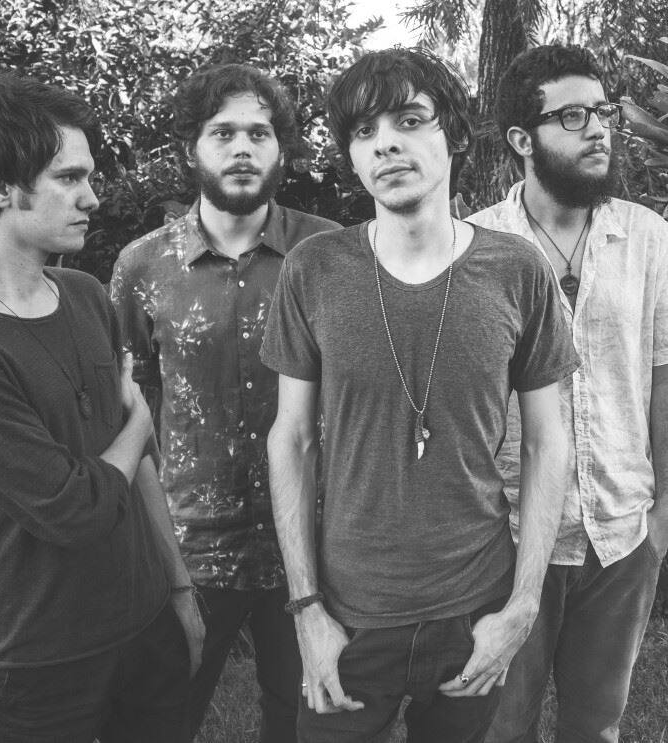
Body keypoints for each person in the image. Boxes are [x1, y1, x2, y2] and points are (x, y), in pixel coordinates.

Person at [260, 47, 581, 743]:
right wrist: (306, 609)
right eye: (364, 131)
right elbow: (292, 437)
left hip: (475, 607)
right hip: (348, 614)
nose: (385, 144)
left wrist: (522, 605)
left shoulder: (516, 270)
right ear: (351, 157)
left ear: (454, 135)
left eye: (409, 120)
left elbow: (547, 440)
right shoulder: (313, 270)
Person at [0, 73, 204, 743]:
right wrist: (139, 421)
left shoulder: (84, 294)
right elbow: (72, 510)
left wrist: (179, 591)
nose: (92, 198)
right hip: (41, 662)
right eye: (69, 178)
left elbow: (139, 467)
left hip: (146, 624)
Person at [110, 63, 340, 742]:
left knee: (305, 722)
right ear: (192, 148)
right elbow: (130, 404)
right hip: (189, 551)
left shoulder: (329, 253)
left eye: (259, 133)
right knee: (158, 720)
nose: (242, 147)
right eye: (223, 132)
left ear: (281, 149)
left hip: (309, 544)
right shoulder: (142, 267)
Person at [466, 44, 668, 743]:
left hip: (621, 532)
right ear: (522, 139)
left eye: (603, 112)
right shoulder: (476, 246)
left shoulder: (648, 238)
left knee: (596, 724)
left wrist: (662, 516)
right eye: (574, 116)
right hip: (507, 536)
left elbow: (663, 375)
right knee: (502, 725)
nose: (599, 129)